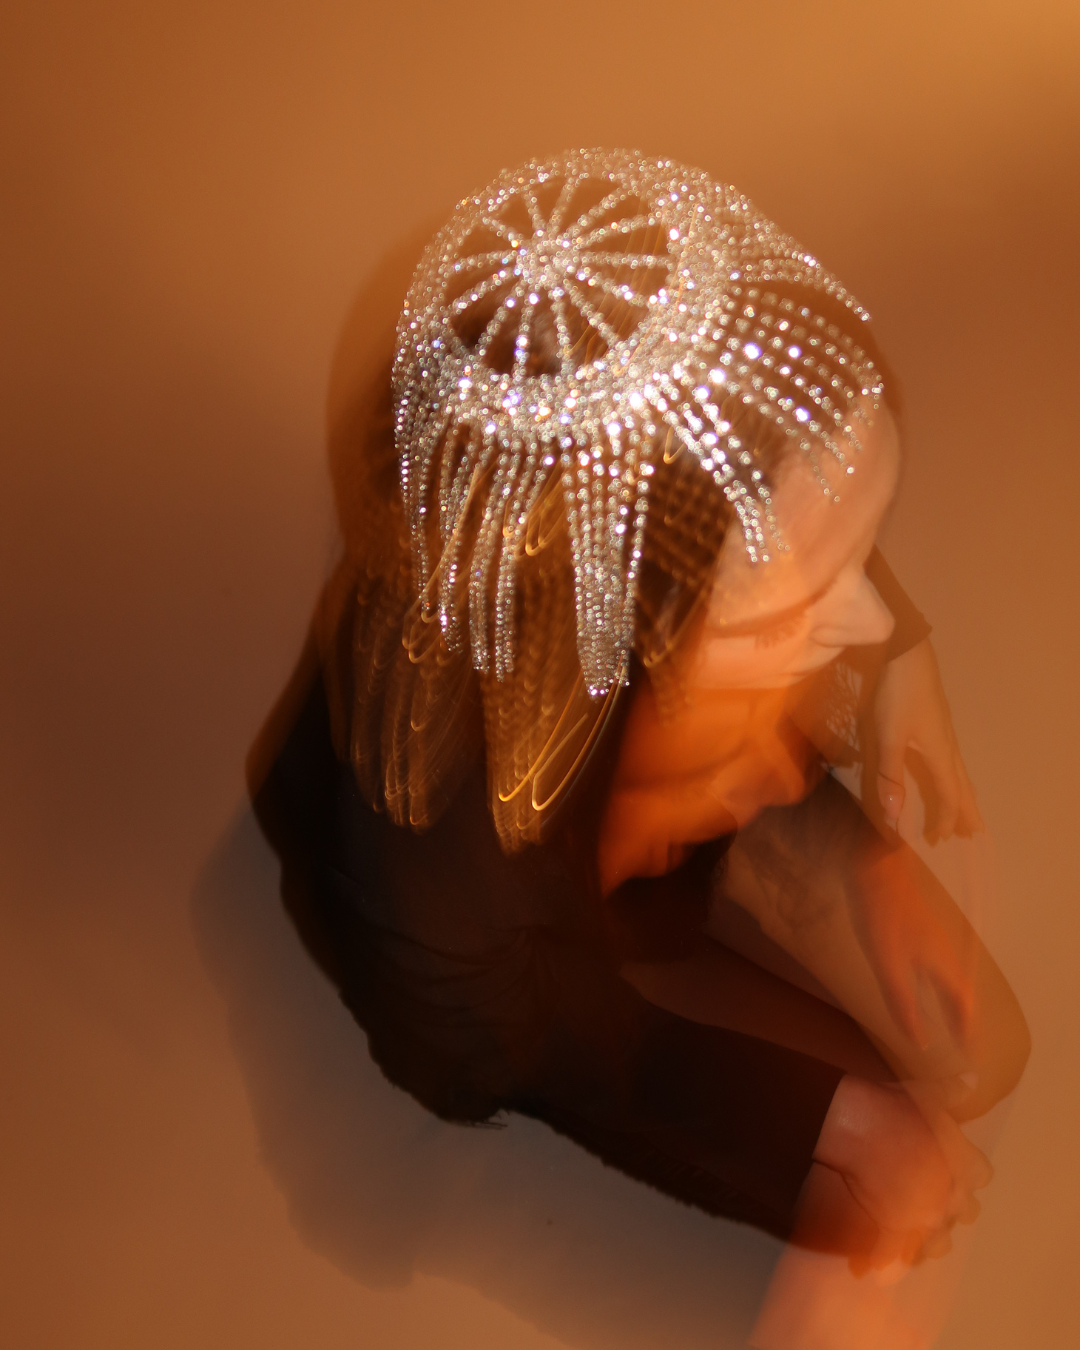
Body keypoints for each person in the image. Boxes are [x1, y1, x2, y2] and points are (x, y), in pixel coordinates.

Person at [251, 151, 1029, 1348]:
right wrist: (822, 1122)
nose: (859, 626)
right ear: (623, 626)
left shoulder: (660, 508)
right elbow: (523, 1058)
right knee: (898, 1140)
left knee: (981, 1055)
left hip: (654, 783)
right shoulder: (428, 853)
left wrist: (903, 664)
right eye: (806, 600)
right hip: (559, 945)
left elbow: (753, 464)